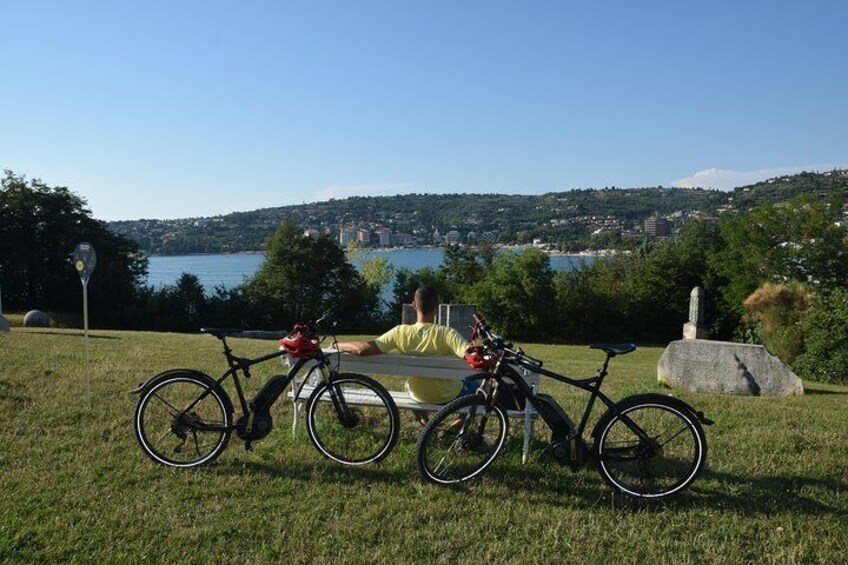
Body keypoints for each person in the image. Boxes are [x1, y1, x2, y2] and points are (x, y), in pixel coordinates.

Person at [334, 286, 475, 425]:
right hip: (449, 396)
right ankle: (456, 425)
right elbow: (471, 354)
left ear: (414, 305)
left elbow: (362, 349)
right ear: (437, 308)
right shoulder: (447, 333)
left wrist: (337, 345)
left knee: (408, 386)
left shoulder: (400, 332)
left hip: (418, 395)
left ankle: (426, 424)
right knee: (477, 385)